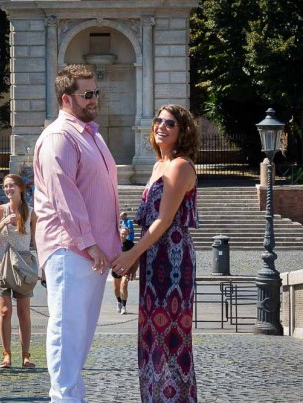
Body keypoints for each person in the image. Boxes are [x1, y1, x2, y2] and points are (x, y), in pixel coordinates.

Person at [33, 64, 122, 401]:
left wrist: (109, 247)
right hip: (71, 248)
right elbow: (63, 196)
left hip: (92, 251)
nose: (94, 99)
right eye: (88, 94)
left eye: (96, 92)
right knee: (67, 330)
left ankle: (71, 396)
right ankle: (64, 398)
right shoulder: (60, 136)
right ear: (67, 98)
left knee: (80, 335)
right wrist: (90, 243)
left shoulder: (91, 134)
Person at [111, 104, 200, 402]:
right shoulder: (157, 165)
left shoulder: (179, 165)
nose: (161, 126)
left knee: (171, 338)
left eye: (170, 123)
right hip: (154, 257)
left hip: (173, 258)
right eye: (158, 120)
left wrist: (131, 253)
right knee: (152, 335)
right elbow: (149, 220)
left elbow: (163, 220)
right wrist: (139, 256)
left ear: (182, 131)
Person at [0, 174, 37, 369]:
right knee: (5, 311)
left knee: (24, 312)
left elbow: (37, 241)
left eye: (11, 186)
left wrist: (42, 266)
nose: (8, 189)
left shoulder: (31, 212)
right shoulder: (0, 210)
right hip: (0, 266)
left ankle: (26, 355)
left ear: (21, 188)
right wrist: (3, 222)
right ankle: (6, 354)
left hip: (22, 267)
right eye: (5, 186)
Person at [112, 227, 135, 315]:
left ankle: (124, 307)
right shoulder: (114, 243)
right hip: (116, 268)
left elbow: (134, 257)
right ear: (119, 233)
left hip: (126, 269)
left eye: (125, 234)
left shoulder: (130, 244)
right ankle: (119, 301)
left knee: (124, 285)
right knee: (116, 289)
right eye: (122, 233)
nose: (123, 235)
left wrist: (133, 269)